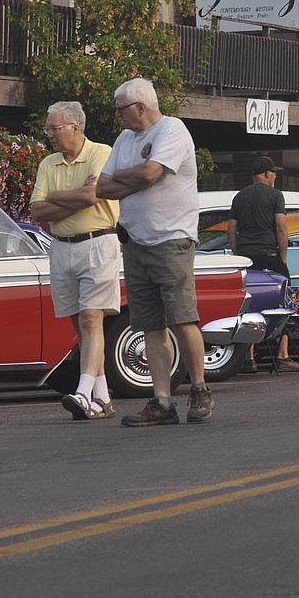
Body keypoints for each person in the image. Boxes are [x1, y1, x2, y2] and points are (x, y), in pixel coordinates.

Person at [96, 77, 213, 426]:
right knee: (149, 326)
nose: (118, 117)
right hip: (135, 241)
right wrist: (136, 179)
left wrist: (128, 179)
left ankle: (199, 389)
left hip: (170, 240)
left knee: (182, 318)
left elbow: (149, 173)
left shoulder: (172, 131)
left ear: (140, 107)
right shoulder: (124, 138)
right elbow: (103, 186)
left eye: (121, 110)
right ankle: (161, 400)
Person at [29, 101, 121, 420]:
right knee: (80, 327)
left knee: (91, 319)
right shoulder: (47, 163)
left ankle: (82, 394)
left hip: (98, 243)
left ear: (75, 128)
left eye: (54, 128)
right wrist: (72, 200)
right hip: (61, 247)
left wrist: (55, 197)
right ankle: (103, 398)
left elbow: (92, 196)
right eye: (48, 128)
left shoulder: (101, 152)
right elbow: (36, 210)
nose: (49, 134)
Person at [228, 156, 299, 371]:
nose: (276, 176)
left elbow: (231, 229)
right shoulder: (275, 195)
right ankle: (282, 356)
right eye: (274, 172)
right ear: (267, 174)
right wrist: (282, 257)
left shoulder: (239, 197)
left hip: (247, 258)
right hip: (270, 256)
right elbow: (281, 227)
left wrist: (238, 255)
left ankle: (248, 358)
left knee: (249, 305)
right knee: (283, 302)